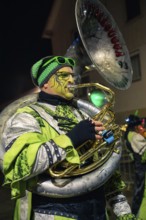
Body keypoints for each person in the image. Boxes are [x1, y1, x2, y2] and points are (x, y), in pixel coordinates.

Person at [1, 56, 141, 220]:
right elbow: (20, 164)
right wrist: (71, 139)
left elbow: (104, 168)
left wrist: (123, 211)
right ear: (45, 83)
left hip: (98, 211)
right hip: (53, 213)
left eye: (72, 75)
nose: (72, 79)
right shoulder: (26, 117)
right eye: (63, 75)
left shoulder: (82, 114)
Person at [124, 114, 146, 220]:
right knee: (142, 194)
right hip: (142, 167)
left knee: (139, 193)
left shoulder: (128, 134)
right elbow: (144, 153)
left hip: (137, 167)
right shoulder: (135, 136)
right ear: (136, 126)